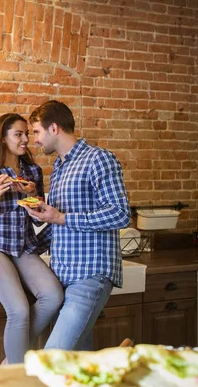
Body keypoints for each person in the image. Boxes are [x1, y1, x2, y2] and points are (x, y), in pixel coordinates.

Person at [24, 100, 131, 351]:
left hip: (90, 275)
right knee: (78, 366)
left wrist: (60, 217)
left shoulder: (99, 159)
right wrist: (42, 218)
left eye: (37, 132)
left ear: (54, 128)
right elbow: (60, 223)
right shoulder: (59, 167)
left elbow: (120, 214)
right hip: (64, 277)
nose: (35, 140)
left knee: (54, 359)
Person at [0, 113, 64, 364]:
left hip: (23, 249)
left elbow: (38, 219)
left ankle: (10, 363)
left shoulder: (33, 171)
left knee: (54, 296)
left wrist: (34, 197)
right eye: (18, 134)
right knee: (19, 310)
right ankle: (18, 373)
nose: (25, 140)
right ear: (3, 137)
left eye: (27, 134)